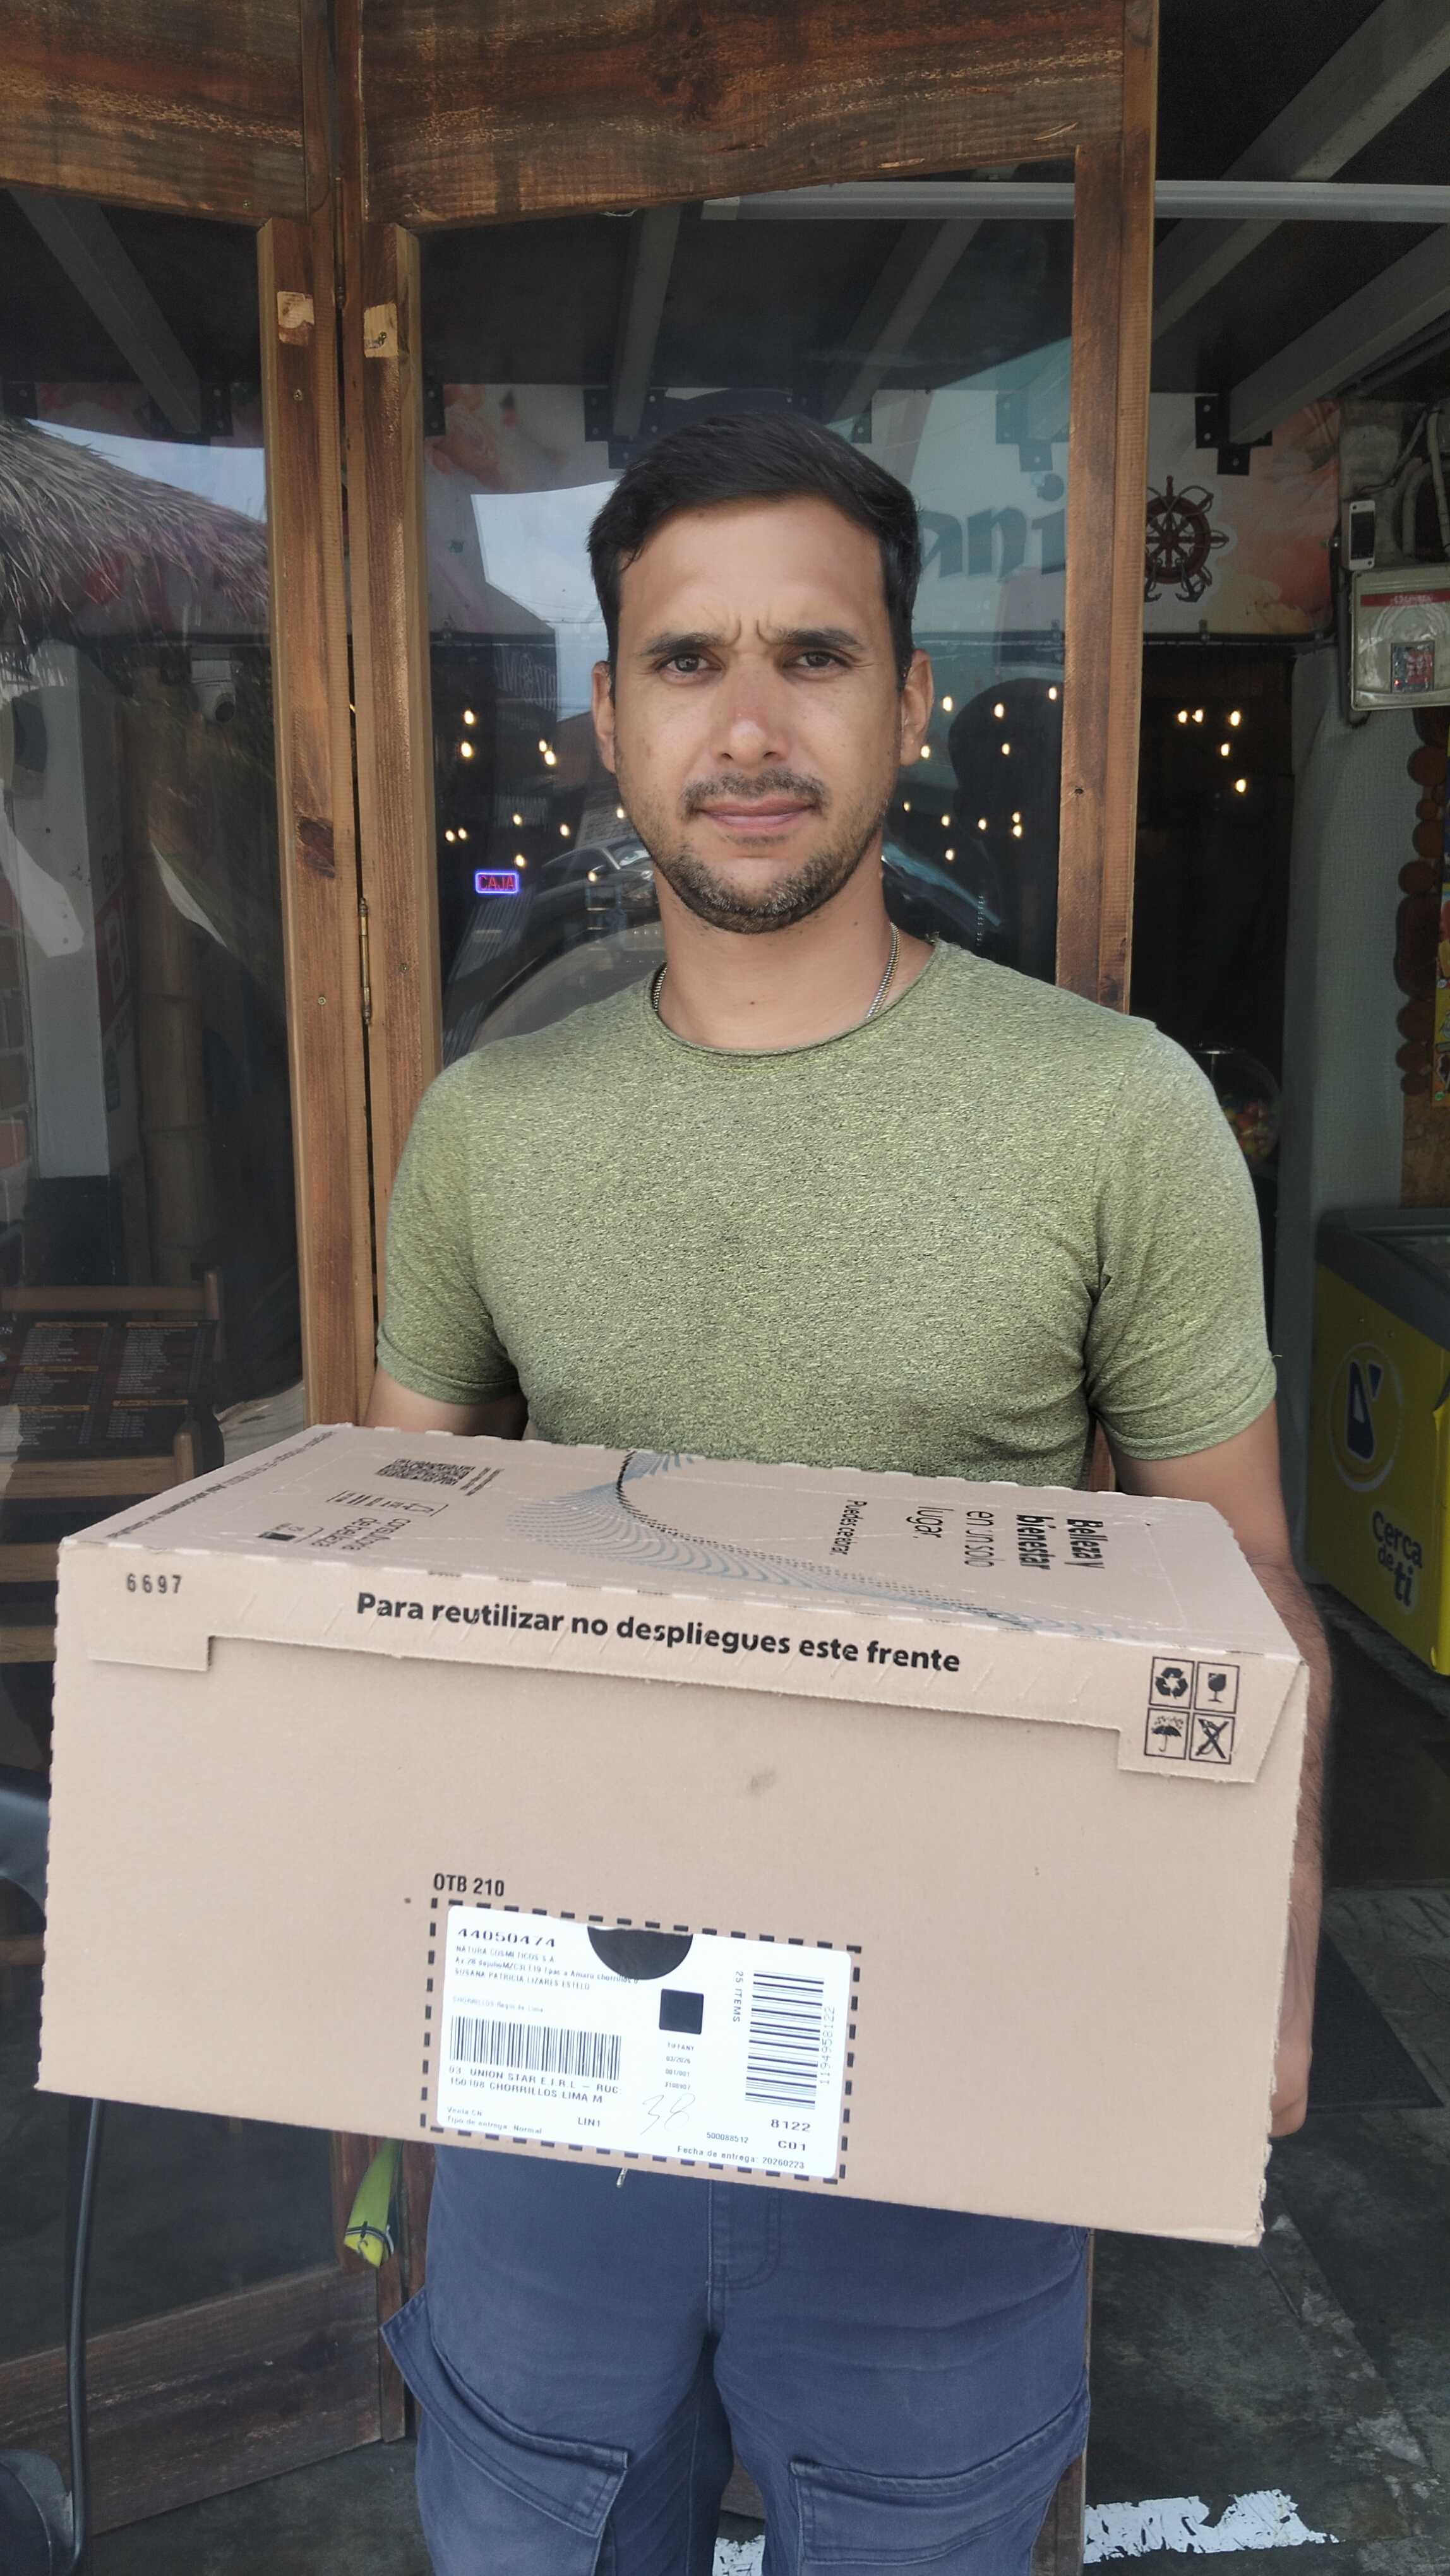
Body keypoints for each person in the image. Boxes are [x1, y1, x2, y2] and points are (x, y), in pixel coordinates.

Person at [368, 411, 1329, 2575]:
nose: (750, 726)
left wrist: (1268, 1950)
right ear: (607, 719)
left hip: (957, 2050)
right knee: (527, 2527)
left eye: (813, 654)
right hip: (562, 2054)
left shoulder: (1115, 1112)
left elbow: (1245, 1574)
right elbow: (386, 1569)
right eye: (686, 660)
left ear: (909, 705)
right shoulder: (490, 1129)